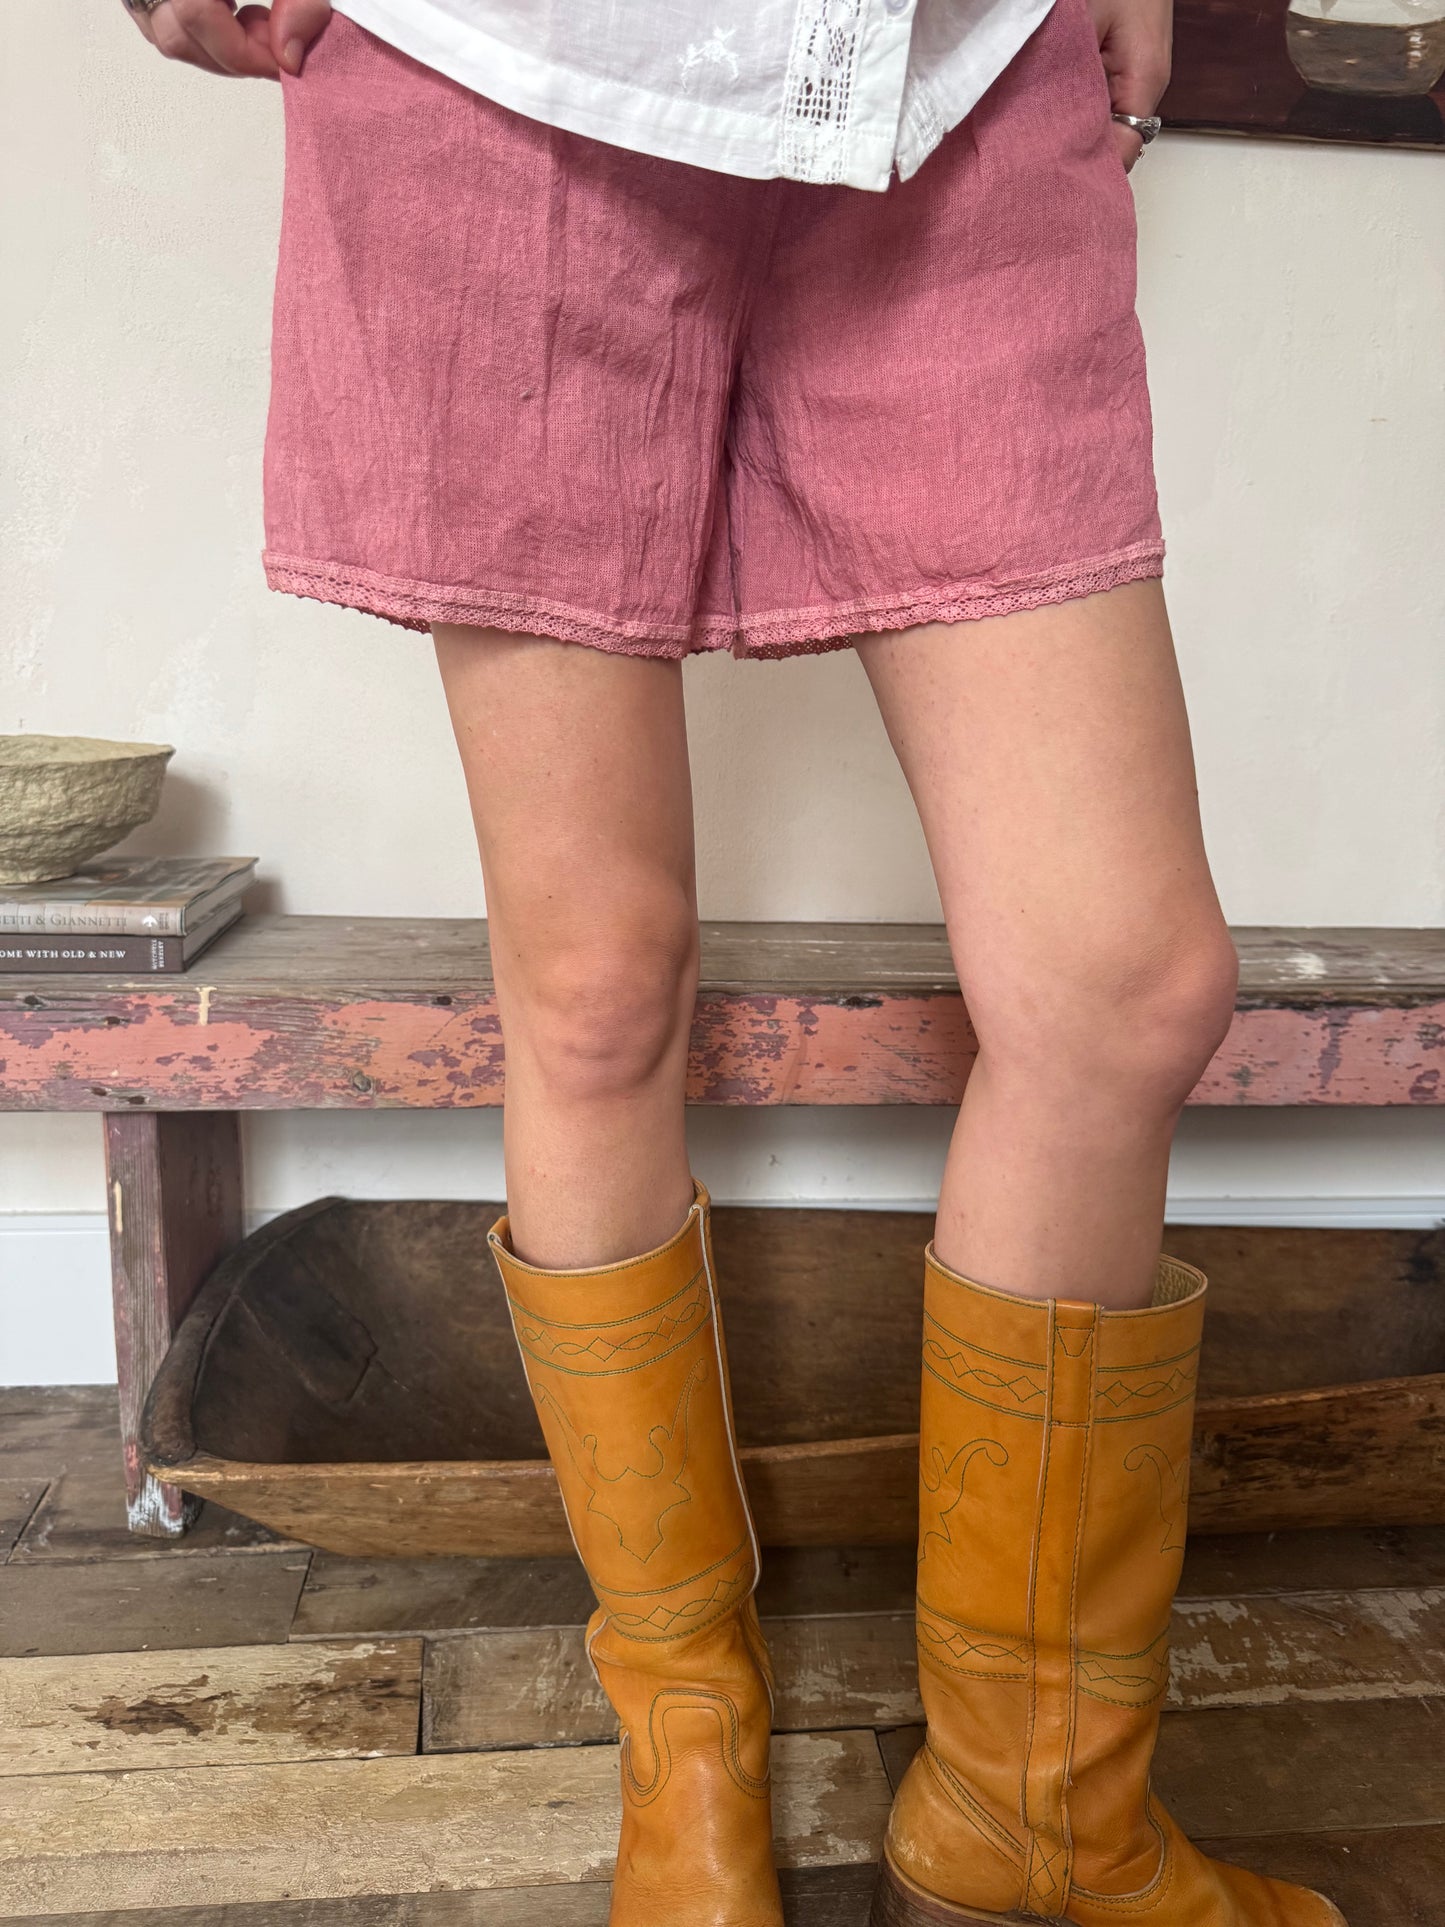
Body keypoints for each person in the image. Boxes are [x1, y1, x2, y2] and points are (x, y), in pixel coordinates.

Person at [123, 1, 1346, 1922]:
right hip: (506, 76)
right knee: (597, 984)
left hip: (954, 79)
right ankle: (684, 1734)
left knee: (1121, 987)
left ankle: (1035, 1810)